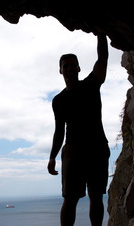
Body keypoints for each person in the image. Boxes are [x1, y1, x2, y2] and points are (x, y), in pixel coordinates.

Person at [47, 34, 110, 226]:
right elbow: (59, 131)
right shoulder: (58, 100)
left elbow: (102, 59)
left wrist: (101, 33)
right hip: (73, 151)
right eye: (65, 66)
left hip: (97, 147)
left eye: (73, 64)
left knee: (96, 195)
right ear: (60, 70)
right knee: (70, 199)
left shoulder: (91, 84)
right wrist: (52, 157)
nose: (69, 68)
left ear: (79, 68)